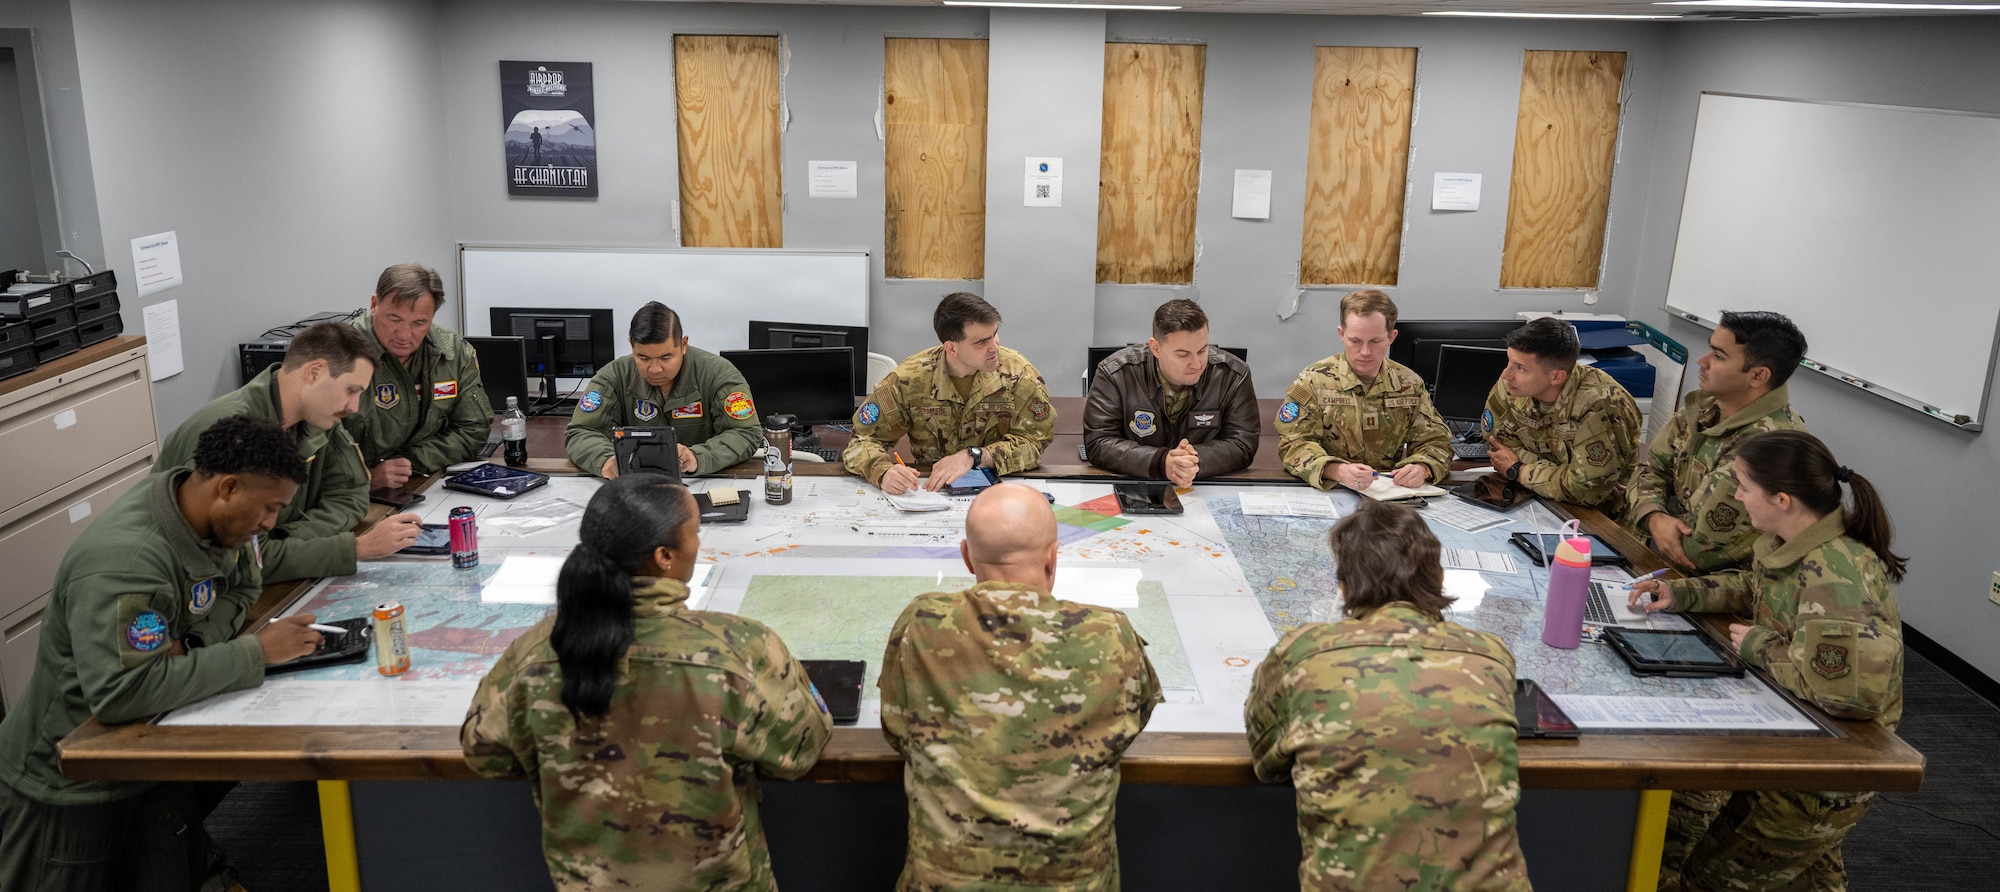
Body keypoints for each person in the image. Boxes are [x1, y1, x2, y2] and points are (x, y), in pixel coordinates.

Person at [0, 415, 329, 892]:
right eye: (269, 508)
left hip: (152, 756)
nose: (271, 523)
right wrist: (252, 654)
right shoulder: (127, 563)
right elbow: (122, 692)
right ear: (229, 488)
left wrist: (192, 646)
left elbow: (244, 586)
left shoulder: (210, 517)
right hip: (70, 781)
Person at [461, 474, 832, 890]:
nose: (699, 543)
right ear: (664, 557)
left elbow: (485, 754)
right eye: (695, 532)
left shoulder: (535, 652)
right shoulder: (740, 648)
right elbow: (802, 747)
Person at [1631, 431, 1904, 892]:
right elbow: (1754, 587)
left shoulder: (1836, 580)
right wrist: (1681, 592)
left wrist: (1760, 647)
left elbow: (1847, 697)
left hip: (1819, 771)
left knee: (1706, 880)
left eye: (1743, 486)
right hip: (1796, 739)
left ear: (1781, 499)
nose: (1736, 497)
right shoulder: (1792, 541)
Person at [878, 483, 1162, 890]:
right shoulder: (1109, 633)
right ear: (1052, 559)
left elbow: (898, 731)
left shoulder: (923, 623)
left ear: (966, 558)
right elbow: (1132, 724)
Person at [1245, 499, 1530, 892]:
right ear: (1439, 577)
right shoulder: (1490, 655)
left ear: (1344, 587)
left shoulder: (1303, 654)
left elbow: (1265, 761)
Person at [157, 321, 422, 582]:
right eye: (351, 390)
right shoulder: (234, 435)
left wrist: (285, 538)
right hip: (181, 589)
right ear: (315, 372)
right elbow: (242, 562)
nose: (354, 406)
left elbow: (351, 495)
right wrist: (356, 549)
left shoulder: (318, 415)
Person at [1628, 311, 1808, 573]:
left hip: (1719, 590)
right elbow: (1650, 468)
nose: (1702, 361)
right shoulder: (1703, 406)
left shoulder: (1769, 447)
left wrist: (1651, 516)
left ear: (1758, 376)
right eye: (1709, 350)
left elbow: (1695, 551)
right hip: (1660, 560)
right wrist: (1654, 516)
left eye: (1719, 356)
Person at [844, 293, 1056, 494]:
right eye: (981, 342)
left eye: (994, 335)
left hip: (999, 489)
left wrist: (976, 457)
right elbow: (862, 440)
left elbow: (1034, 443)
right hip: (932, 491)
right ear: (951, 348)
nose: (994, 347)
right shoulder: (909, 380)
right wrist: (882, 471)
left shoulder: (1018, 374)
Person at [1276, 289, 1453, 491]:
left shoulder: (1409, 384)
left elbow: (1437, 442)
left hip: (1387, 493)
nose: (1365, 352)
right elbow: (1293, 444)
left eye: (1375, 341)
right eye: (1355, 341)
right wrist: (1337, 470)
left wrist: (1423, 467)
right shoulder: (1314, 381)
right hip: (1332, 490)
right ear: (1341, 335)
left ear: (1391, 337)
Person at [565, 301, 763, 479]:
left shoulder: (719, 374)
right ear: (631, 345)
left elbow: (746, 433)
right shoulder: (613, 376)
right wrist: (606, 460)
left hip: (702, 482)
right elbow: (581, 432)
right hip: (636, 486)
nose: (655, 369)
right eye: (643, 358)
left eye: (666, 357)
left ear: (683, 345)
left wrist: (699, 457)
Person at [342, 262, 494, 490]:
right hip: (350, 493)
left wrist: (411, 462)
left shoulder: (452, 352)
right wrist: (367, 476)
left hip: (423, 482)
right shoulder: (338, 354)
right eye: (394, 319)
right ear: (374, 304)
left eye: (419, 323)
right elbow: (313, 447)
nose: (404, 335)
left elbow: (472, 430)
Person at [1082, 298, 1260, 485]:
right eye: (1183, 354)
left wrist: (1190, 462)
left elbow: (1243, 444)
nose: (1197, 364)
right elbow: (1099, 442)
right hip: (1134, 484)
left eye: (1202, 350)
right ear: (1156, 348)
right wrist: (1160, 462)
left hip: (1201, 485)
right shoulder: (1116, 373)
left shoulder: (1233, 375)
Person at [1482, 316, 1643, 509]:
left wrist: (1518, 471)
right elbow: (1499, 450)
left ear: (1556, 377)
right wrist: (1565, 474)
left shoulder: (1600, 405)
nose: (1505, 374)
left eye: (1520, 368)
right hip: (1534, 501)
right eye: (1509, 362)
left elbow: (1586, 491)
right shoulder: (1512, 386)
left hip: (1601, 518)